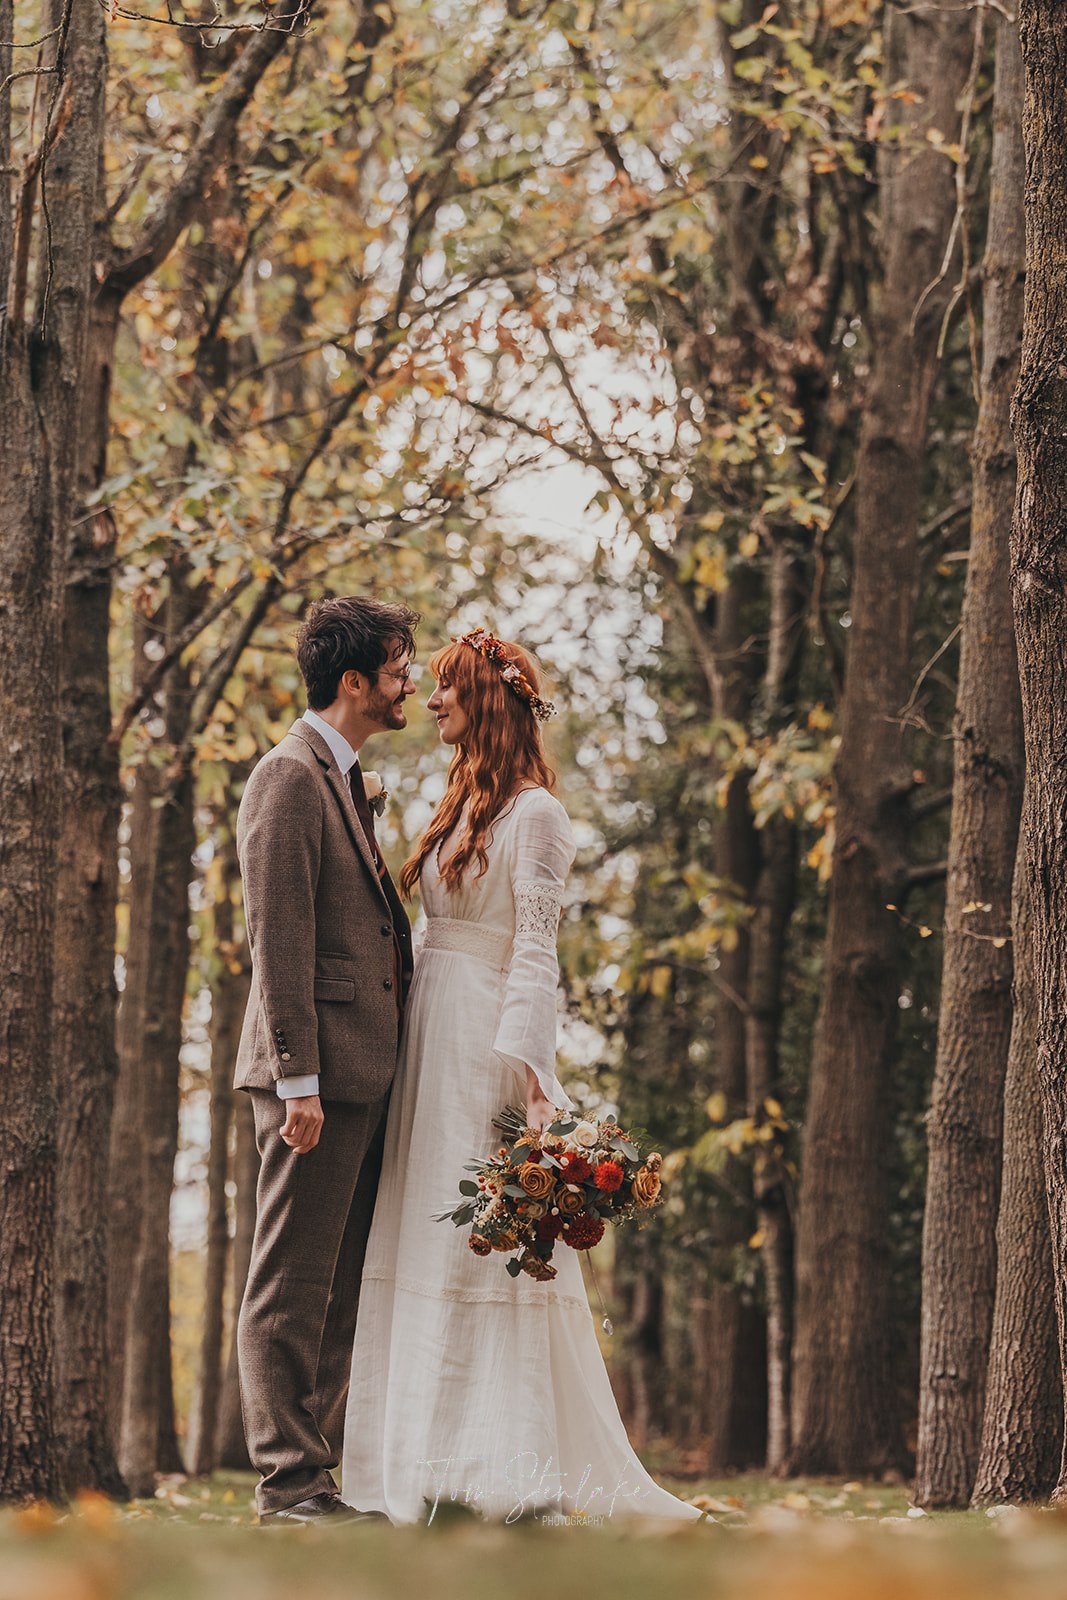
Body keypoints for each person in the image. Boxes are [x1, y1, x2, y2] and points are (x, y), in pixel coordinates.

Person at [341, 627, 702, 1526]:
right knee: (420, 1233)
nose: (429, 703)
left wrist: (534, 1080)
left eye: (447, 690)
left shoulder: (536, 816)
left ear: (488, 699)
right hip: (427, 1025)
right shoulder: (455, 800)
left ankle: (505, 1471)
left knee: (483, 1241)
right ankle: (421, 1467)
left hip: (481, 1042)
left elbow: (536, 955)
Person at [234, 595, 419, 1525]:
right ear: (353, 681)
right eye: (396, 669)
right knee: (288, 1286)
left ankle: (320, 1479)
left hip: (360, 1076)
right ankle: (286, 1486)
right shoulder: (288, 777)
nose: (409, 684)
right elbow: (279, 934)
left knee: (341, 1287)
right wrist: (296, 1075)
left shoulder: (344, 779)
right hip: (311, 1080)